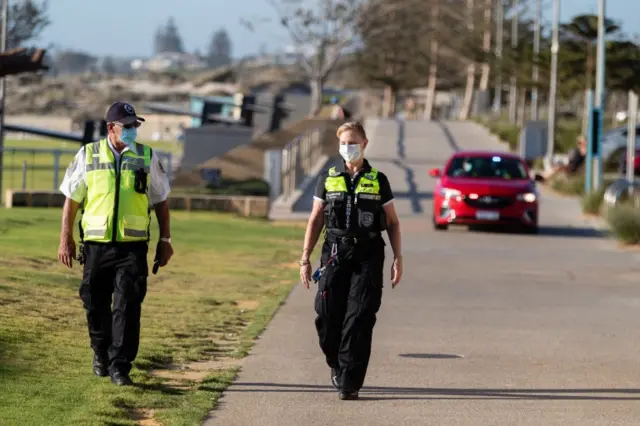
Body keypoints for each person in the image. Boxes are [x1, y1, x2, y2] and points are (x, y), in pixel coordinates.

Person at [57, 101, 174, 386]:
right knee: (95, 304)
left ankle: (120, 366)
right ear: (111, 128)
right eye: (128, 126)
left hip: (132, 248)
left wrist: (165, 239)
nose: (134, 130)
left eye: (136, 125)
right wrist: (66, 238)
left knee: (128, 306)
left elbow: (161, 201)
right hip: (96, 246)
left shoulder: (146, 156)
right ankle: (100, 352)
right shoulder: (88, 154)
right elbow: (71, 201)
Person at [299, 121, 403, 401]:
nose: (348, 147)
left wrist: (397, 258)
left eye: (353, 142)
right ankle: (336, 361)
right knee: (327, 313)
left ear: (365, 144)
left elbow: (392, 222)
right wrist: (305, 258)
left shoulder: (378, 179)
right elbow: (316, 218)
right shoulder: (328, 177)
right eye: (343, 143)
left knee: (359, 317)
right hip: (334, 251)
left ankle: (350, 380)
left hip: (368, 253)